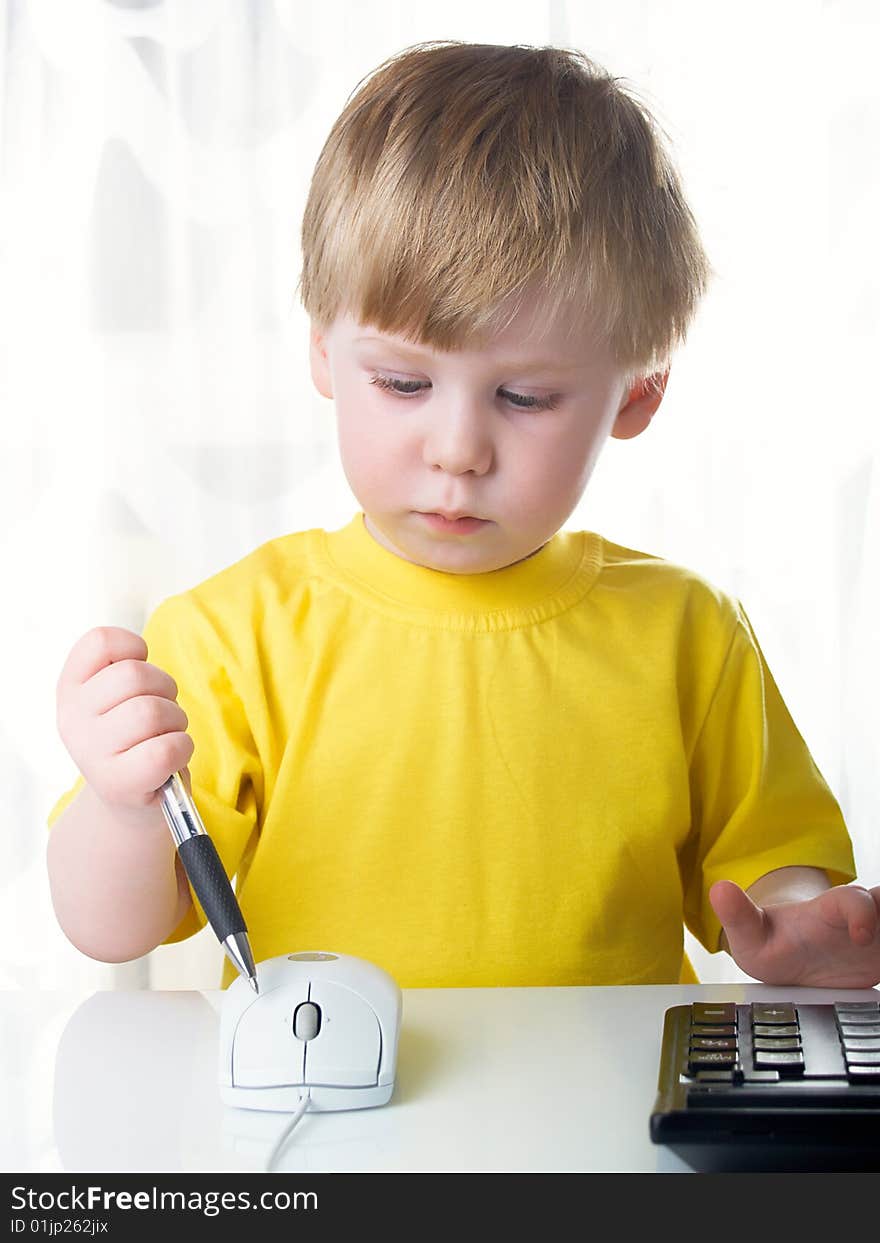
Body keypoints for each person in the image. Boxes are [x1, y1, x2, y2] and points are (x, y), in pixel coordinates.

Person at [47, 40, 879, 990]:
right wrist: (119, 806)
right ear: (323, 349)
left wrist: (805, 921)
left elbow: (775, 873)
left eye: (523, 398)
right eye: (403, 381)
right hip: (329, 1132)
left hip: (603, 1131)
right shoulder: (236, 633)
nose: (457, 448)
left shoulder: (690, 634)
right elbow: (109, 929)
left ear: (638, 395)